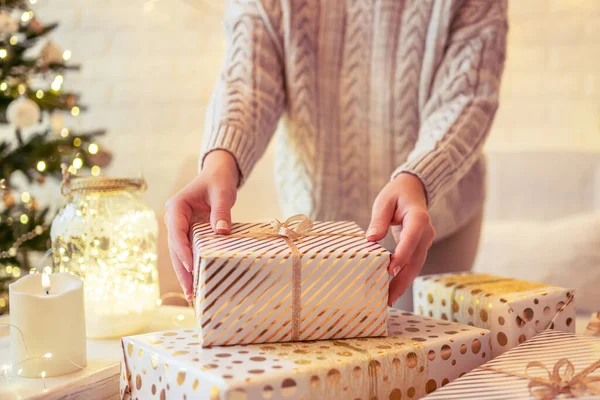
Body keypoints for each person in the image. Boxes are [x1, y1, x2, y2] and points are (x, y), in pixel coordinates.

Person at [165, 0, 508, 308]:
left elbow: (468, 92)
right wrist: (221, 160)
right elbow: (249, 73)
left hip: (431, 223)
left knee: (431, 367)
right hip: (315, 229)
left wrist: (419, 177)